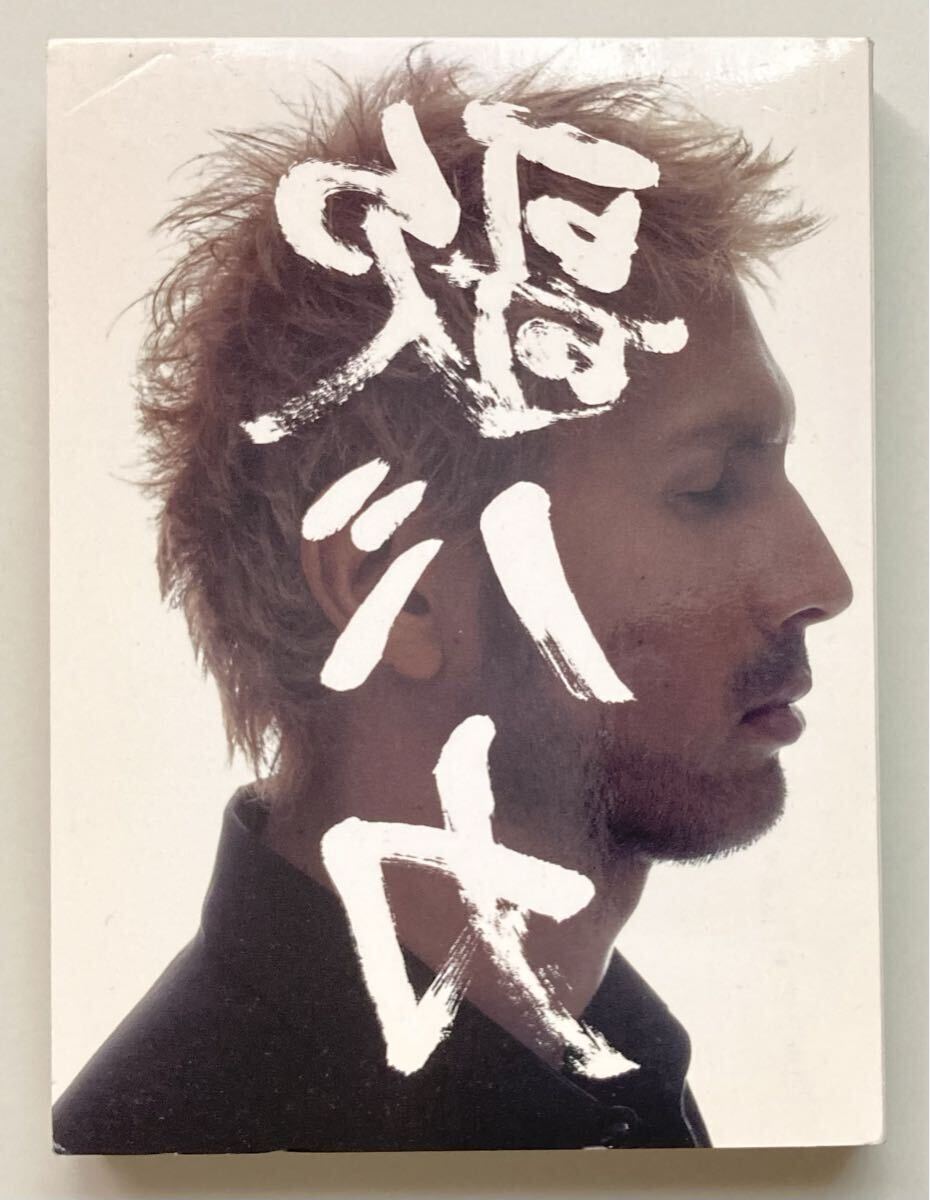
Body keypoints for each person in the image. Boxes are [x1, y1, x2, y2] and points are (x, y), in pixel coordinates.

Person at [52, 54, 853, 1154]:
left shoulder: (593, 1069)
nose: (821, 581)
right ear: (403, 589)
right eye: (708, 487)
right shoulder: (173, 1155)